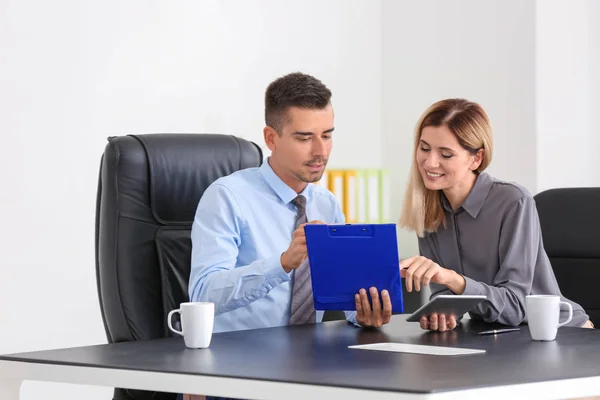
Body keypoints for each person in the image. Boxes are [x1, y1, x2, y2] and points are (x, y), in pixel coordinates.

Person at [182, 72, 394, 400]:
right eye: (304, 137)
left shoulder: (326, 203)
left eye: (327, 135)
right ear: (271, 137)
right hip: (234, 374)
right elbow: (203, 295)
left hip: (310, 373)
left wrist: (364, 314)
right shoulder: (227, 196)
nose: (320, 150)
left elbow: (340, 295)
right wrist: (282, 263)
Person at [398, 98, 594, 332]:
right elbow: (446, 297)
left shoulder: (513, 201)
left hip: (557, 332)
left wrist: (452, 279)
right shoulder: (429, 209)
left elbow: (515, 306)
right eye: (424, 148)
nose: (430, 162)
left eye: (446, 154)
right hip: (497, 337)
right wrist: (444, 315)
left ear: (476, 158)